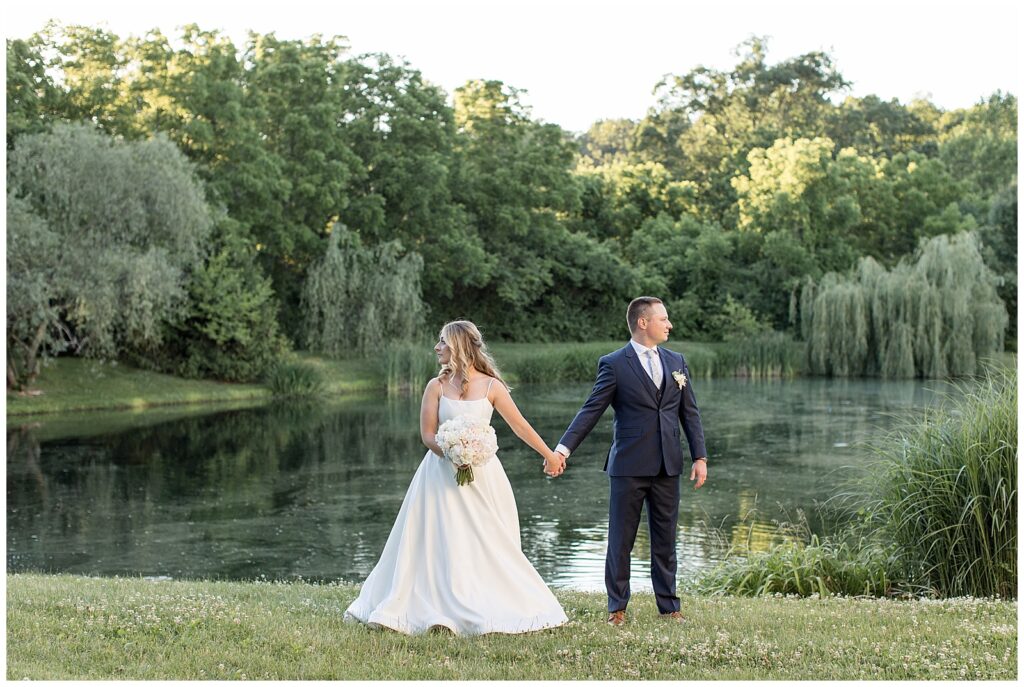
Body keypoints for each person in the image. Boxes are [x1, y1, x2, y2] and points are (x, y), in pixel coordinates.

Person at [345, 320, 568, 635]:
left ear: (461, 347)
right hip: (439, 475)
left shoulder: (492, 386)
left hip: (484, 477)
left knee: (488, 539)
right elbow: (426, 435)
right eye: (438, 342)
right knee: (439, 537)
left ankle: (488, 600)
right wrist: (452, 453)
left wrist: (549, 454)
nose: (437, 348)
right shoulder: (435, 387)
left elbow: (520, 426)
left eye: (443, 342)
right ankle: (432, 603)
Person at [550, 296, 707, 626]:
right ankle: (616, 608)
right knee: (621, 540)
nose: (669, 325)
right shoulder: (614, 363)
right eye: (663, 319)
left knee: (665, 540)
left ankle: (669, 607)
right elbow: (591, 410)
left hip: (668, 464)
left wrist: (700, 456)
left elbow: (689, 413)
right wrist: (562, 450)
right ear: (643, 322)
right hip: (628, 466)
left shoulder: (677, 360)